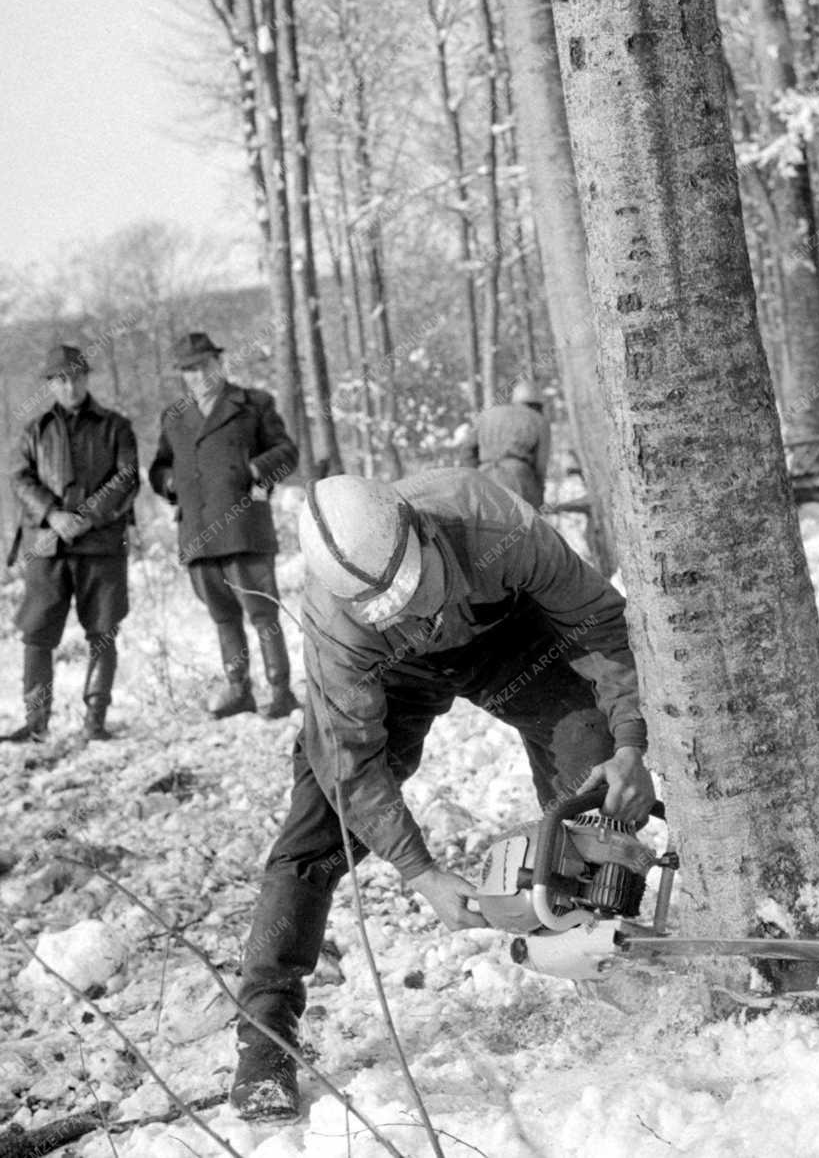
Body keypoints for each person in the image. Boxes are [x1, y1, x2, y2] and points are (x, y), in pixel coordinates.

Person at [229, 469, 655, 1120]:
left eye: (410, 587)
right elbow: (350, 764)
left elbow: (599, 624)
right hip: (393, 672)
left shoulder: (494, 525)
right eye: (386, 606)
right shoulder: (337, 624)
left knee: (589, 756)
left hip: (505, 632)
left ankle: (598, 939)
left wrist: (629, 742)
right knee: (315, 832)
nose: (407, 609)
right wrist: (420, 872)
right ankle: (265, 1039)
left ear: (422, 532)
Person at [148, 331, 300, 720]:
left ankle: (280, 690)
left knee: (262, 613)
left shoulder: (254, 404)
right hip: (198, 530)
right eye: (189, 370)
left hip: (243, 527)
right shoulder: (174, 416)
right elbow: (160, 465)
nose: (198, 376)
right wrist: (169, 483)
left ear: (219, 362)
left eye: (204, 366)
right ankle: (238, 689)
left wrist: (256, 470)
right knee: (222, 615)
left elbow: (287, 452)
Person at [3, 344, 139, 743]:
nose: (69, 386)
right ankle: (36, 723)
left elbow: (127, 477)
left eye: (76, 377)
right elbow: (20, 478)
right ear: (50, 384)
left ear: (86, 377)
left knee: (103, 630)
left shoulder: (116, 427)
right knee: (37, 632)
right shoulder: (36, 430)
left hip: (101, 546)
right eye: (60, 380)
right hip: (48, 546)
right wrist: (52, 514)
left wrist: (88, 517)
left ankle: (95, 720)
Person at [456, 378, 551, 509]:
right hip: (519, 479)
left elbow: (467, 451)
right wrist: (539, 495)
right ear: (538, 404)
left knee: (487, 518)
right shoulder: (540, 421)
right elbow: (541, 465)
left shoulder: (487, 415)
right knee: (521, 519)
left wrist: (472, 481)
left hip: (484, 476)